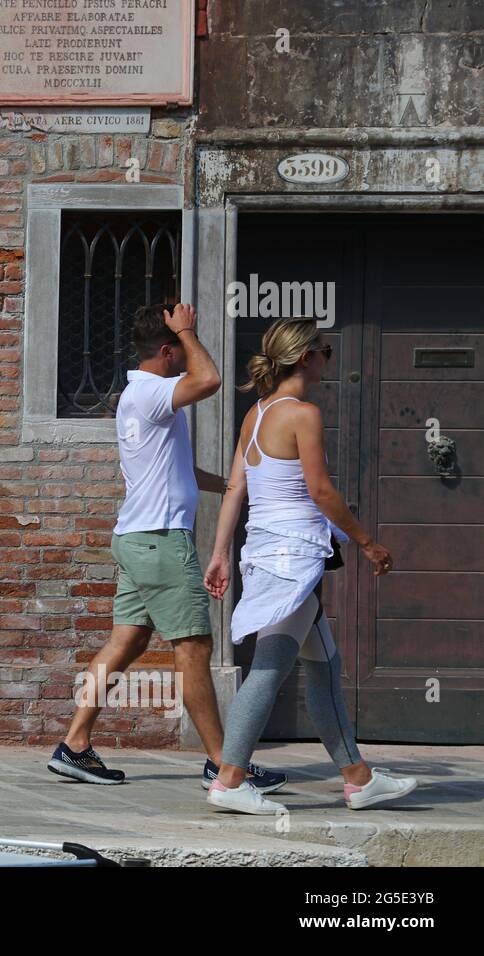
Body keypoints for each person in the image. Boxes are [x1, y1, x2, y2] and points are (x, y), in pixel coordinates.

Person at [48, 304, 285, 792]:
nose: (186, 355)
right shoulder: (155, 392)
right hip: (159, 540)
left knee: (126, 642)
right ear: (166, 350)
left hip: (136, 539)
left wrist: (232, 486)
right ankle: (224, 765)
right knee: (194, 645)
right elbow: (211, 379)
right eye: (179, 347)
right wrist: (190, 331)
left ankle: (73, 744)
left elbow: (176, 470)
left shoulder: (138, 396)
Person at [203, 318, 418, 813]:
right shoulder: (302, 413)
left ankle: (358, 779)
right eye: (325, 349)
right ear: (305, 357)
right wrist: (367, 543)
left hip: (267, 555)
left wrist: (219, 553)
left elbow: (236, 489)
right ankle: (230, 780)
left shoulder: (256, 413)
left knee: (325, 667)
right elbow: (320, 491)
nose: (329, 357)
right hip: (291, 560)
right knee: (269, 668)